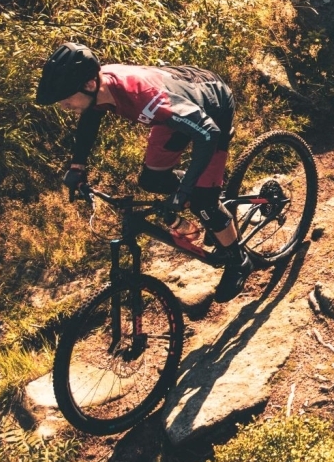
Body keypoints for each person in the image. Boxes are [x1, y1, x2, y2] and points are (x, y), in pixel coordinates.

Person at [35, 42, 254, 302]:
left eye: (66, 98)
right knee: (152, 180)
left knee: (203, 200)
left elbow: (208, 133)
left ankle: (239, 260)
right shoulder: (100, 90)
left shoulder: (144, 97)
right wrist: (77, 166)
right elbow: (90, 118)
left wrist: (186, 192)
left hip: (212, 107)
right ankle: (207, 192)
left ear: (90, 85)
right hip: (174, 111)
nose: (64, 105)